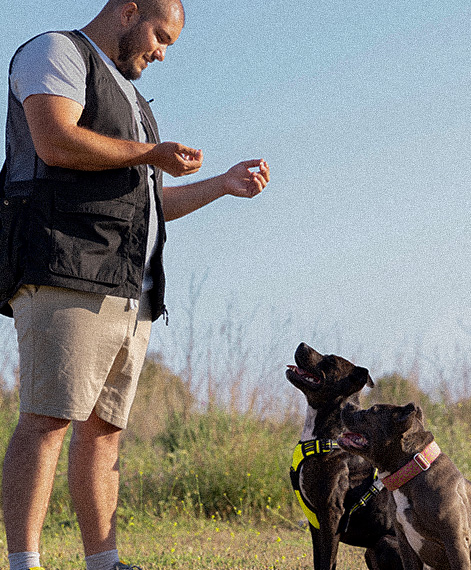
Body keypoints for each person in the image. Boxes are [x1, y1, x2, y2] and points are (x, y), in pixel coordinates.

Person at [0, 0, 270, 569]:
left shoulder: (133, 101)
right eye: (161, 35)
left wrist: (221, 184)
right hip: (66, 269)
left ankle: (104, 563)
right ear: (128, 12)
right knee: (48, 418)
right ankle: (24, 563)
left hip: (128, 287)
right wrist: (152, 152)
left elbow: (148, 205)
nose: (162, 52)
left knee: (103, 431)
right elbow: (54, 140)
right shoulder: (56, 51)